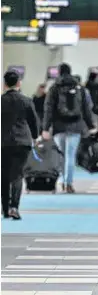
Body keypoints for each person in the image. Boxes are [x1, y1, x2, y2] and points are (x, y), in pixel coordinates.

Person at [42, 63, 96, 193]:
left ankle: (61, 181)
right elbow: (86, 109)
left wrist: (45, 128)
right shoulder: (79, 87)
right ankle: (69, 183)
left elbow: (48, 110)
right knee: (70, 155)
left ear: (59, 72)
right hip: (75, 126)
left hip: (59, 127)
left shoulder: (54, 88)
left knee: (61, 156)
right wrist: (91, 126)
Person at [2, 71, 39, 219]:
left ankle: (5, 208)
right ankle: (14, 207)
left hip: (3, 142)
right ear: (19, 83)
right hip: (22, 142)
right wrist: (35, 137)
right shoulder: (27, 101)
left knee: (3, 175)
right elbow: (33, 122)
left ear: (4, 84)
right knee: (17, 175)